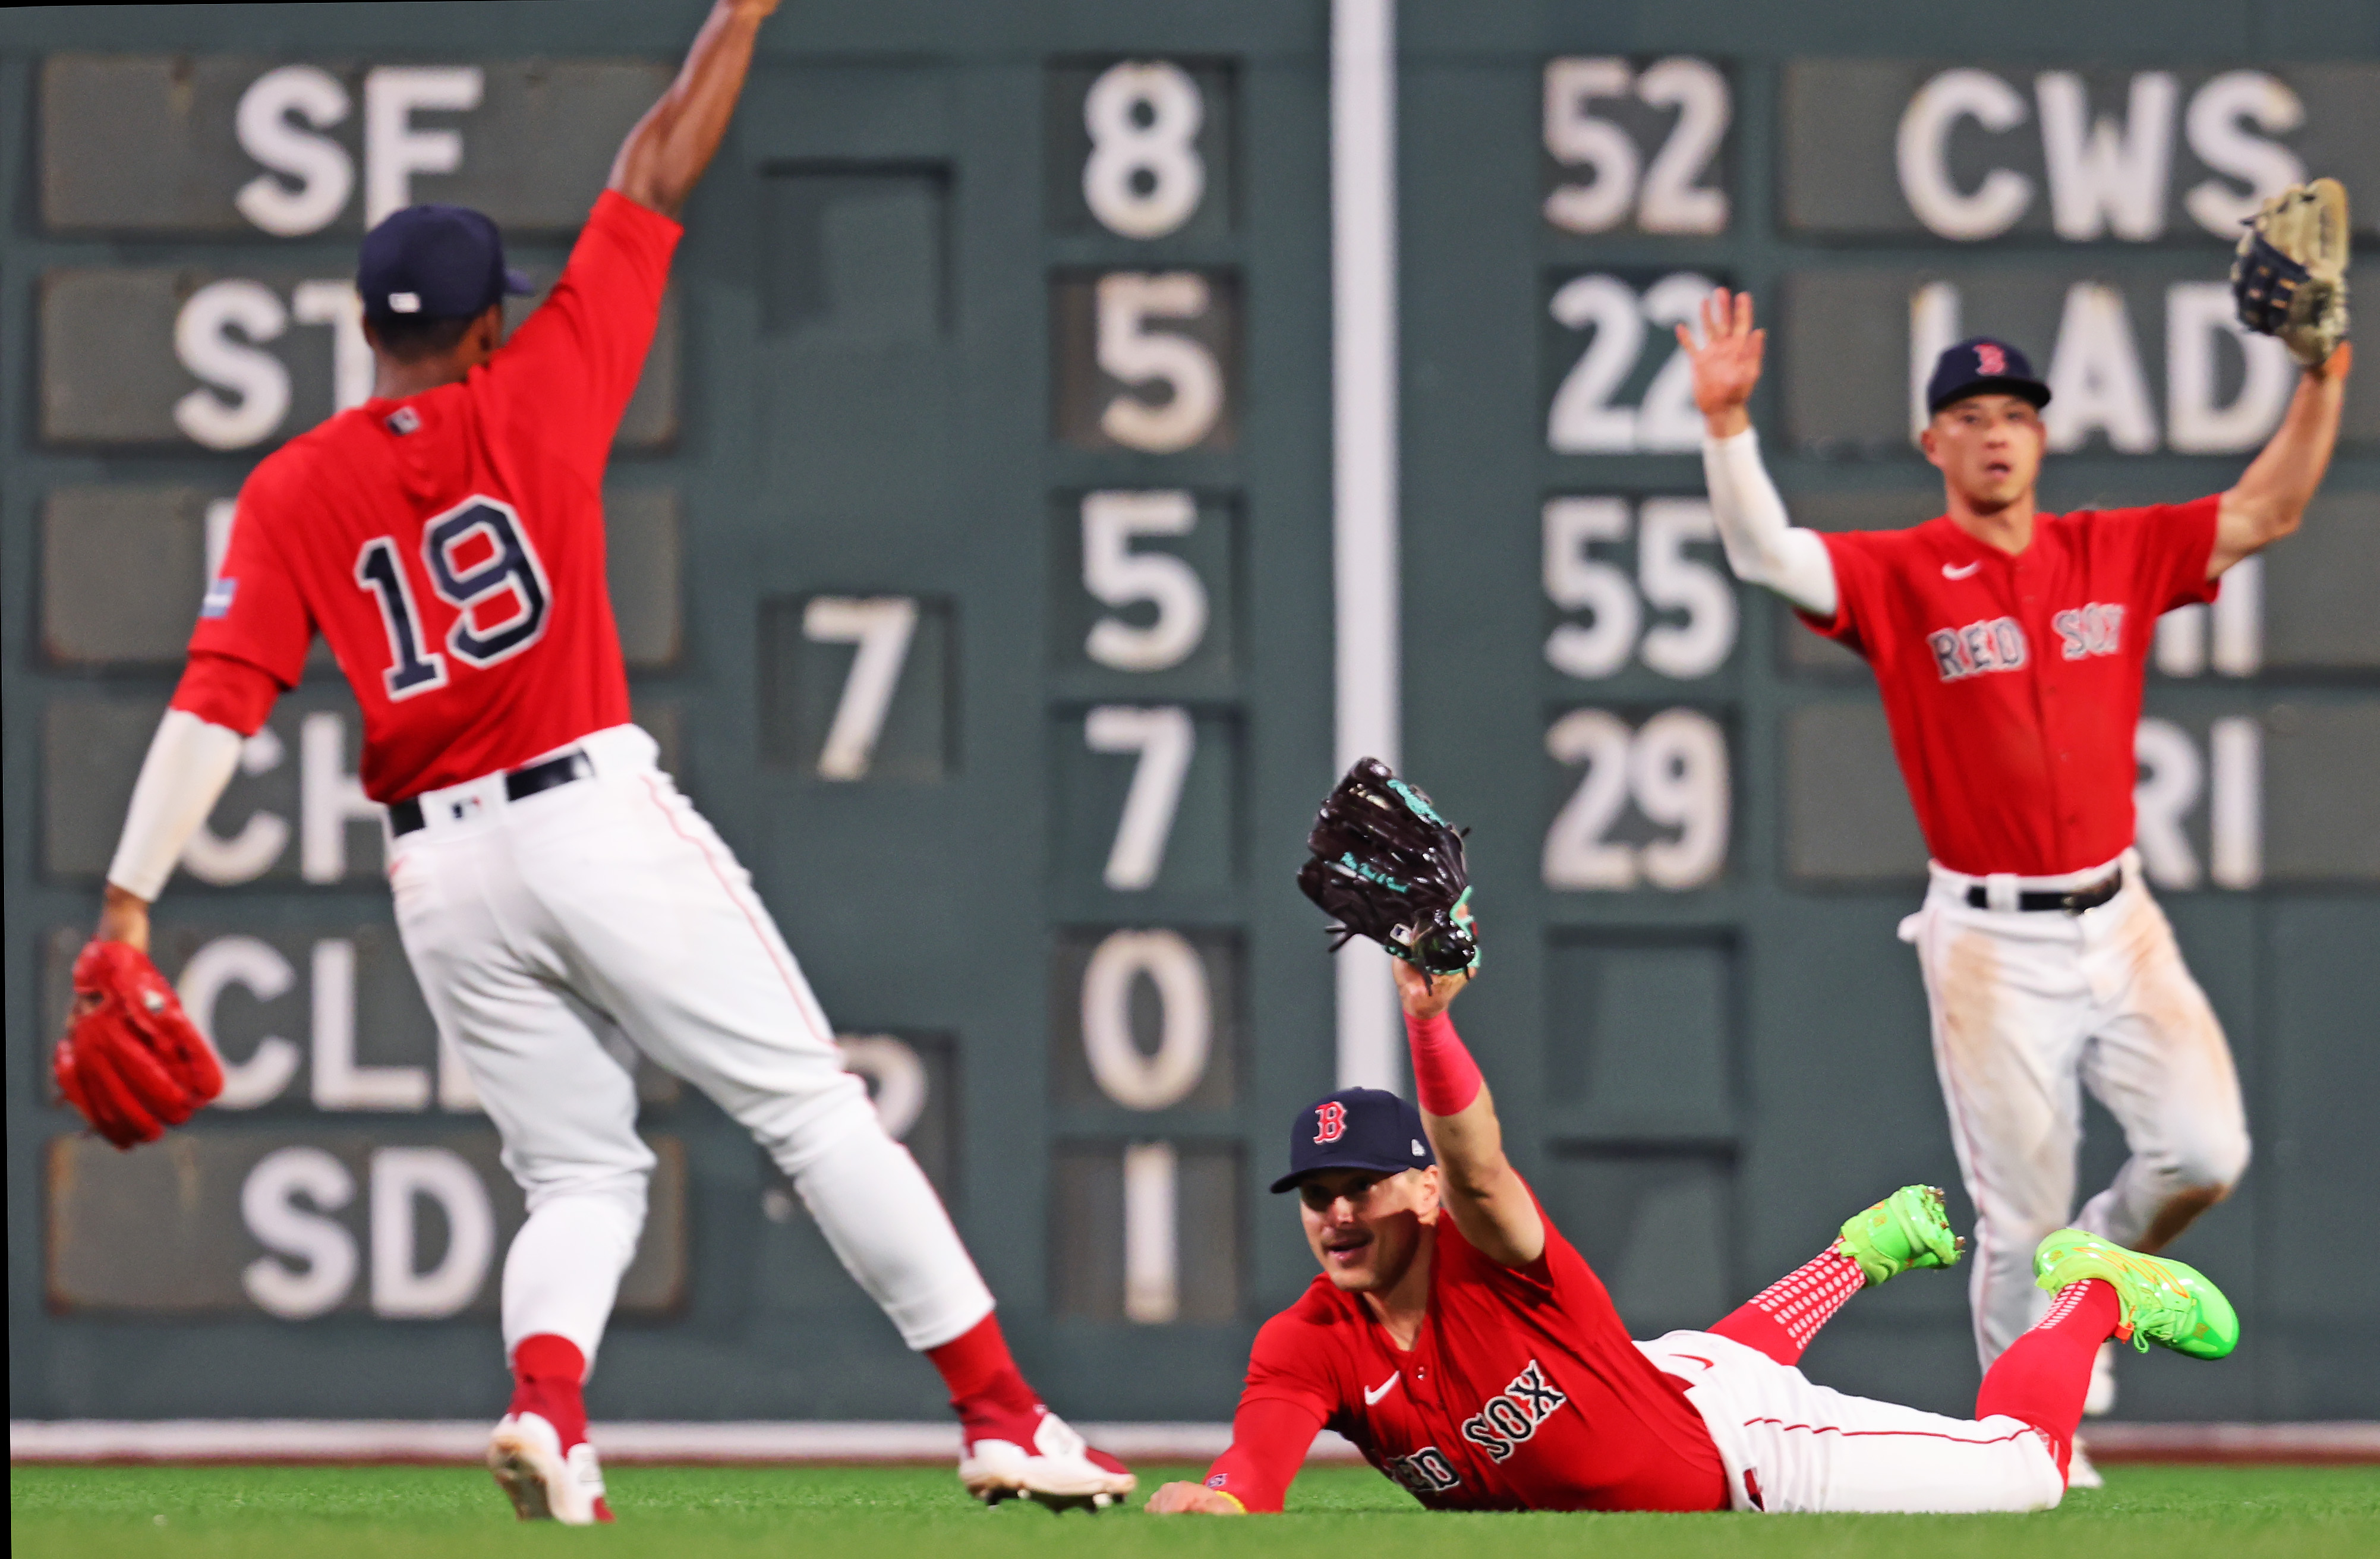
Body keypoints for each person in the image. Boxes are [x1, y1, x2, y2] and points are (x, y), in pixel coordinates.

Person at [71, 0, 1128, 1523]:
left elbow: (217, 702)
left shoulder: (294, 488)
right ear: (485, 323)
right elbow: (655, 164)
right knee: (812, 1111)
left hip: (438, 874)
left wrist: (126, 904)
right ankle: (1003, 1414)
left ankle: (549, 1414)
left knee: (576, 1173)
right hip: (584, 813)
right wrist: (740, 16)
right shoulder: (542, 388)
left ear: (371, 329)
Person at [1678, 288, 2348, 1455]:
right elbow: (1761, 551)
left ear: (2040, 436)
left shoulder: (2112, 549)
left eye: (2014, 413)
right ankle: (2025, 1441)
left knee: (2204, 1153)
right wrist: (1726, 424)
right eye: (1970, 413)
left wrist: (2323, 374)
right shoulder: (1901, 572)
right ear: (1932, 443)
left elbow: (2270, 507)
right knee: (2014, 1214)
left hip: (2117, 913)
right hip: (1988, 938)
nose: (1994, 432)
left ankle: (2094, 1263)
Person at [1145, 959, 2237, 1515]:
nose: (1337, 1213)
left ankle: (2093, 1293)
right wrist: (1228, 1497)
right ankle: (1862, 1250)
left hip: (1745, 1449)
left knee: (2025, 1475)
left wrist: (1428, 1022)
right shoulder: (1311, 1340)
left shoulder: (1491, 1254)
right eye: (1317, 1194)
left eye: (1364, 1187)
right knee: (1675, 1374)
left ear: (1421, 1197)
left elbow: (1475, 1159)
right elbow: (1260, 1459)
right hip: (1653, 1381)